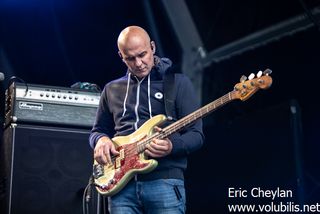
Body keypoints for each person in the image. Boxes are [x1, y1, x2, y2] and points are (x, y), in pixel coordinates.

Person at [89, 25, 204, 214]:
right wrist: (100, 140)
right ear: (121, 56)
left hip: (164, 182)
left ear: (152, 47)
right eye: (130, 58)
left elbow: (197, 135)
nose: (139, 63)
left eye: (143, 54)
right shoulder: (111, 89)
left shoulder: (177, 83)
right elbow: (98, 130)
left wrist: (172, 146)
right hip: (120, 187)